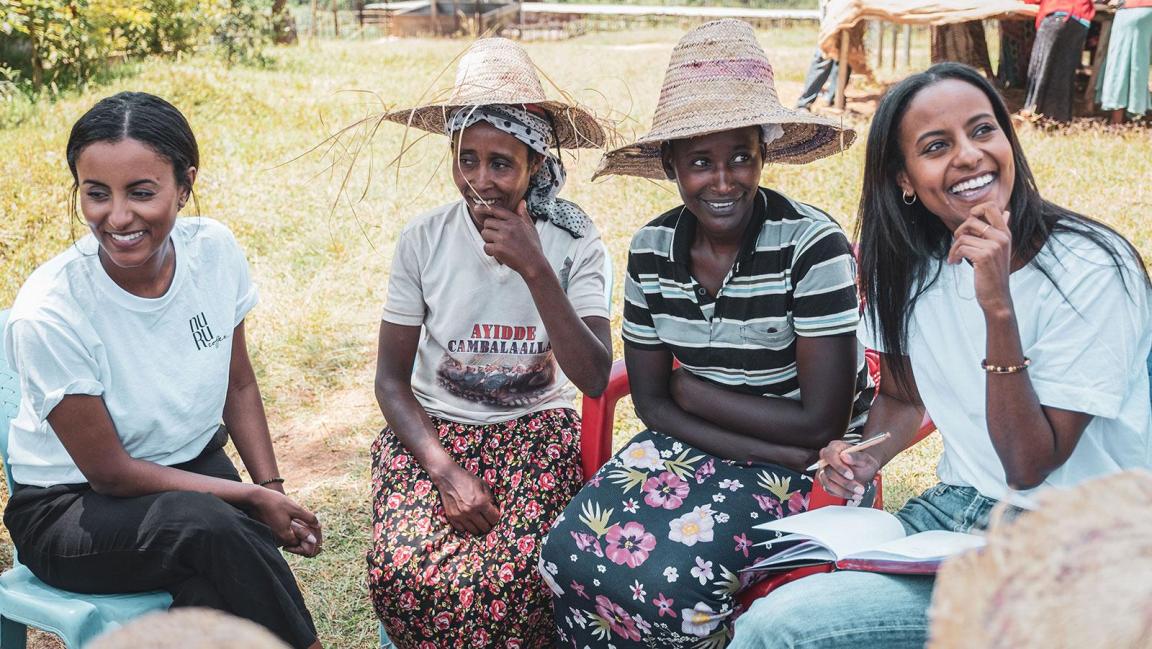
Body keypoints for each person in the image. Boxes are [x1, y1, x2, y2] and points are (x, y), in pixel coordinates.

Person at [729, 62, 1152, 649]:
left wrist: (997, 307)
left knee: (786, 630)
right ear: (904, 179)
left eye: (984, 131)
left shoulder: (1091, 267)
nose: (970, 155)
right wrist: (866, 455)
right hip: (954, 514)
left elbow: (1030, 465)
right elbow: (903, 395)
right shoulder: (910, 266)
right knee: (765, 599)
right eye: (936, 146)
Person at [540, 19, 872, 648]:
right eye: (699, 162)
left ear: (763, 154)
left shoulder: (812, 245)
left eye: (740, 156)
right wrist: (749, 434)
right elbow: (652, 404)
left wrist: (693, 392)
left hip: (818, 468)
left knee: (675, 585)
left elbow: (822, 423)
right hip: (733, 450)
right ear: (670, 165)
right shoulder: (651, 250)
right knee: (566, 554)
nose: (723, 181)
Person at [2, 92, 323, 649]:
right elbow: (111, 474)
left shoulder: (214, 252)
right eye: (95, 194)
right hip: (70, 510)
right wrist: (250, 499)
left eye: (141, 192)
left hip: (190, 474)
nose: (118, 217)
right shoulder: (52, 309)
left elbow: (238, 382)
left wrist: (269, 486)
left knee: (213, 577)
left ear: (185, 185)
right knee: (213, 528)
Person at [368, 37, 613, 648]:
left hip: (536, 430)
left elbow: (592, 376)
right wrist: (445, 471)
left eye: (501, 163)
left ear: (535, 164)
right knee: (403, 570)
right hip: (434, 431)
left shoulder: (575, 244)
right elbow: (391, 380)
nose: (481, 181)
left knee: (510, 580)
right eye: (466, 159)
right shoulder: (423, 241)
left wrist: (536, 268)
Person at [1023, 0, 1096, 122]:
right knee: (1065, 72)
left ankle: (1034, 113)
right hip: (1081, 20)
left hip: (1059, 14)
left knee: (1042, 66)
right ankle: (1058, 118)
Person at [1098, 0, 1152, 125]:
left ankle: (1117, 120)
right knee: (1138, 62)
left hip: (1131, 9)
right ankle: (1134, 109)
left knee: (1119, 62)